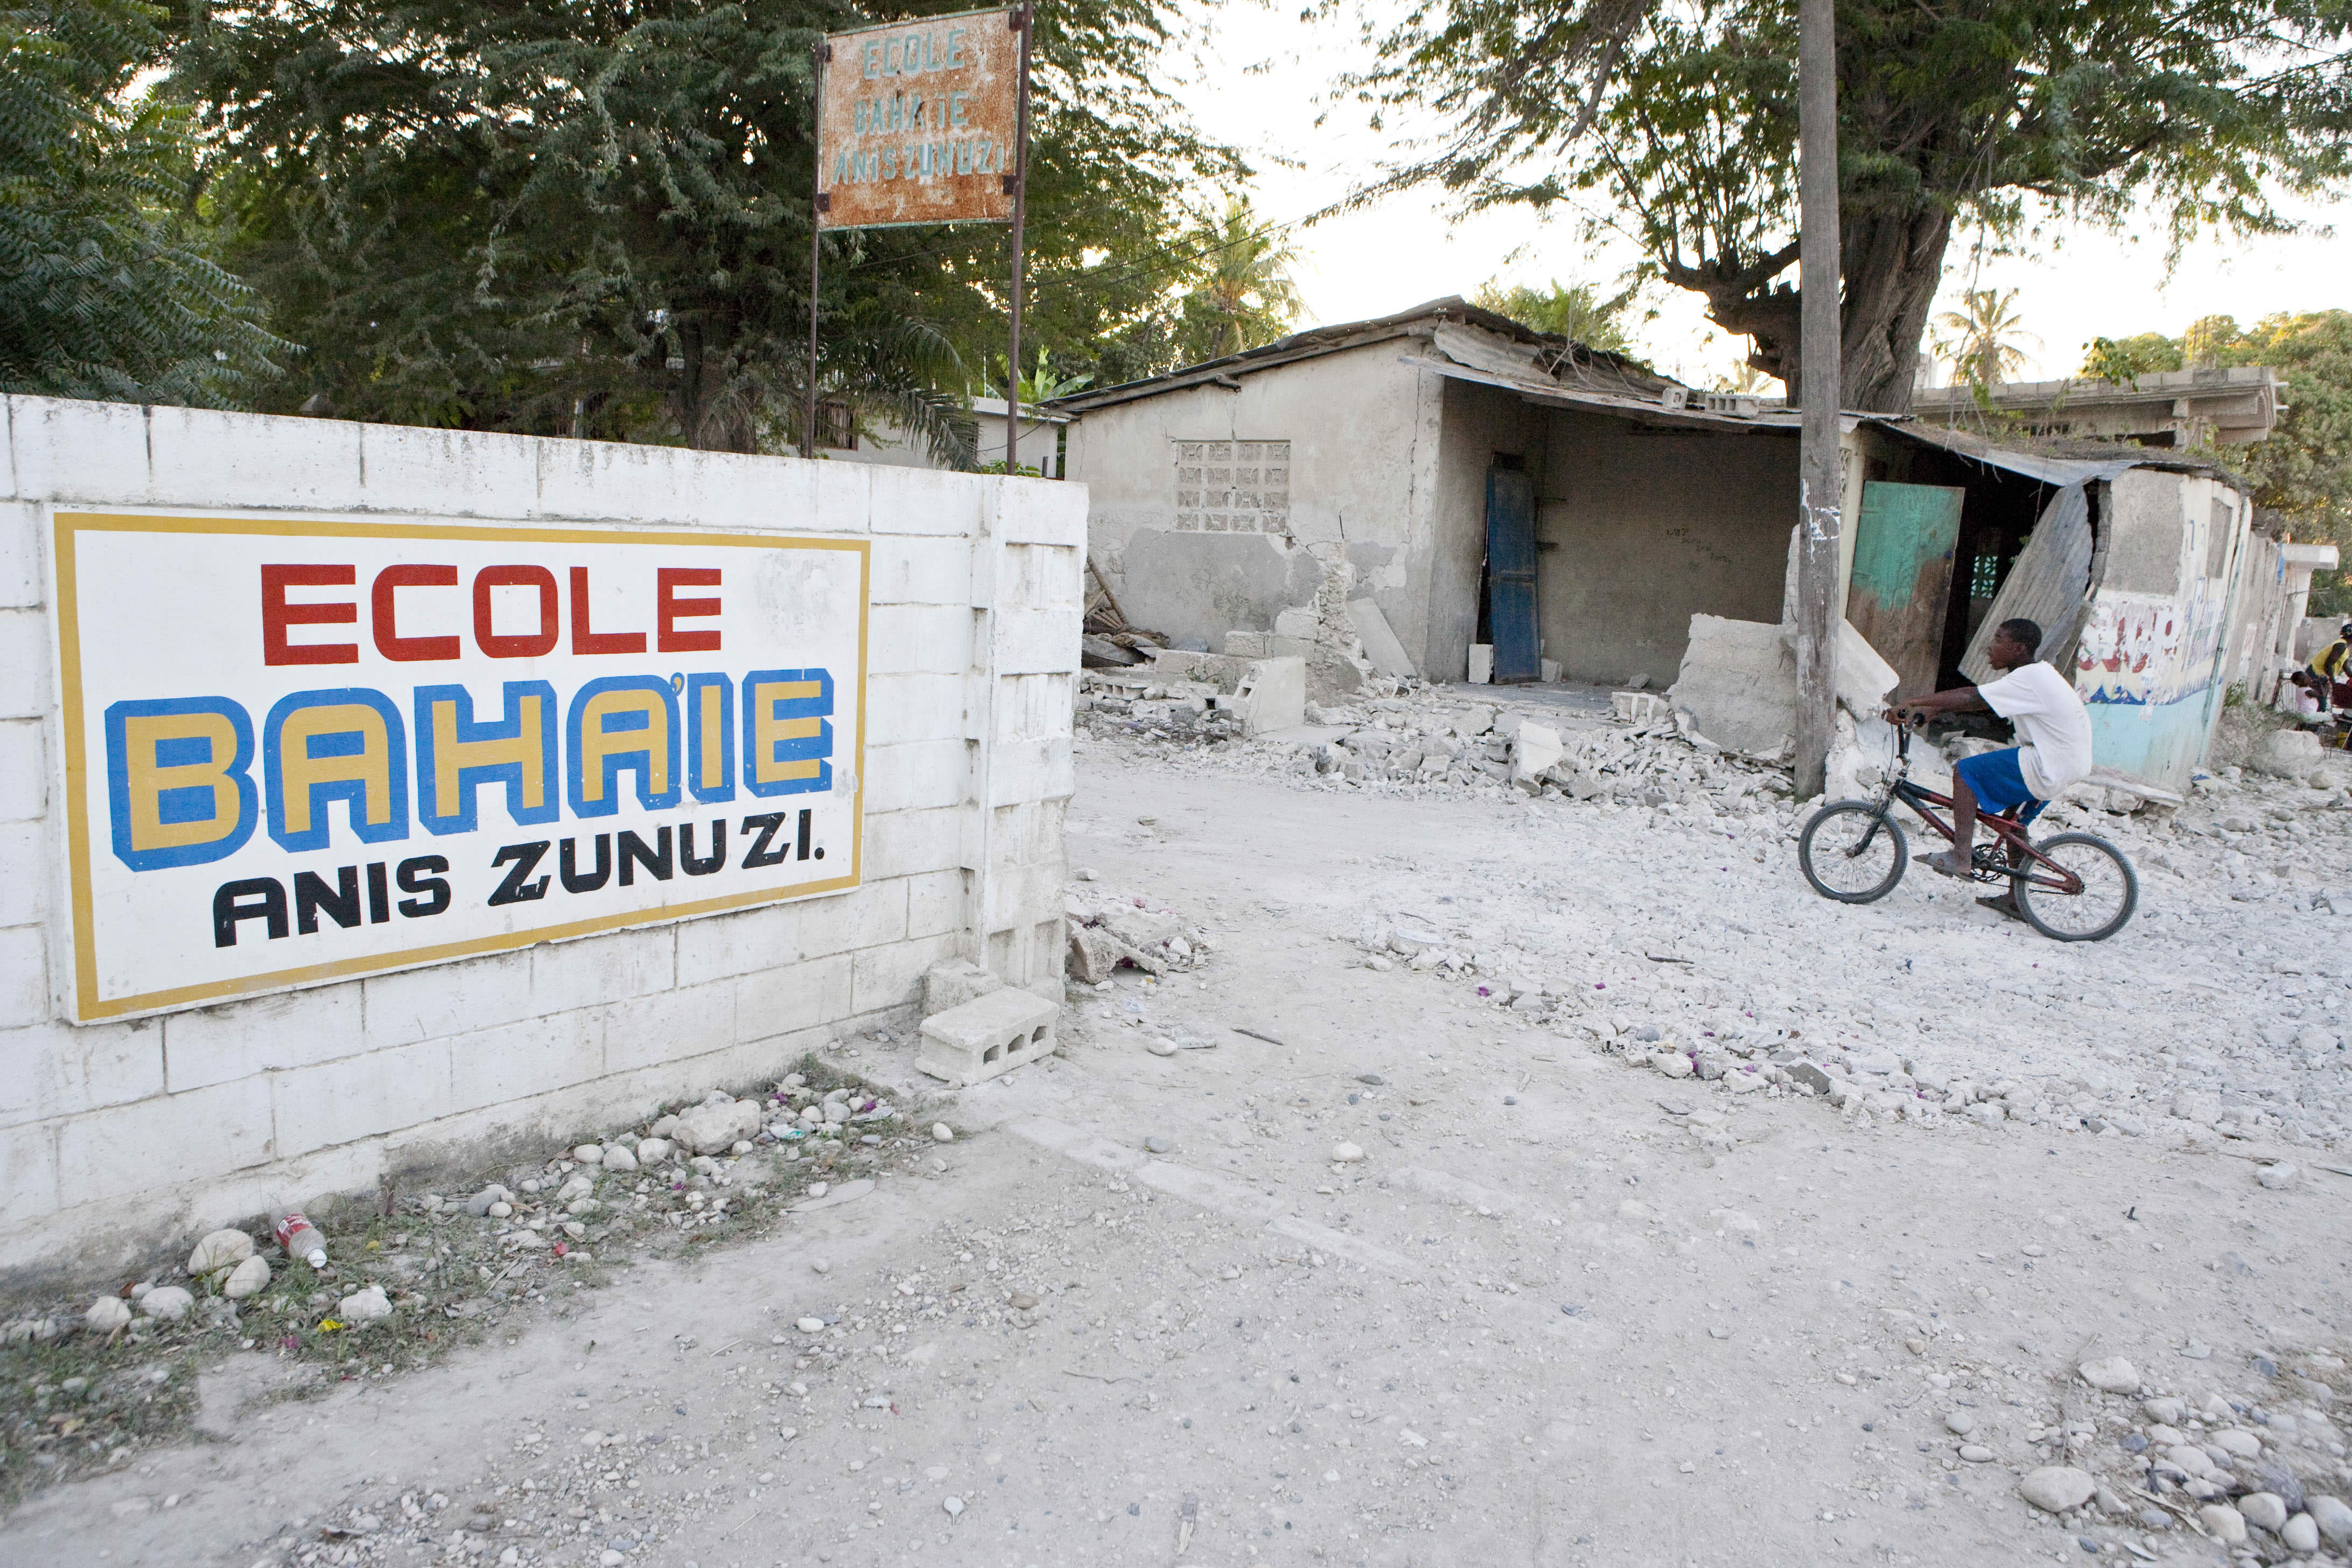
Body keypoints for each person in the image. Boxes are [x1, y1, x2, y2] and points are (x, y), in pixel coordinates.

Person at [1885, 617, 2095, 897]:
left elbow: (1974, 698)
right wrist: (1933, 711)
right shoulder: (2036, 675)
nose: (1989, 647)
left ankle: (1961, 857)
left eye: (1998, 640)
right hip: (2068, 762)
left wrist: (1915, 702)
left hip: (2049, 761)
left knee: (1967, 772)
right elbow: (1989, 705)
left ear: (2019, 649)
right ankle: (2017, 900)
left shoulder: (2030, 677)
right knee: (2014, 827)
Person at [2299, 622, 2352, 713]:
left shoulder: (2345, 648)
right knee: (2322, 705)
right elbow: (2328, 665)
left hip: (2319, 675)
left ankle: (2307, 725)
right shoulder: (2341, 646)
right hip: (2316, 674)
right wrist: (2333, 683)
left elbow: (2346, 666)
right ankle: (2309, 726)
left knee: (2320, 704)